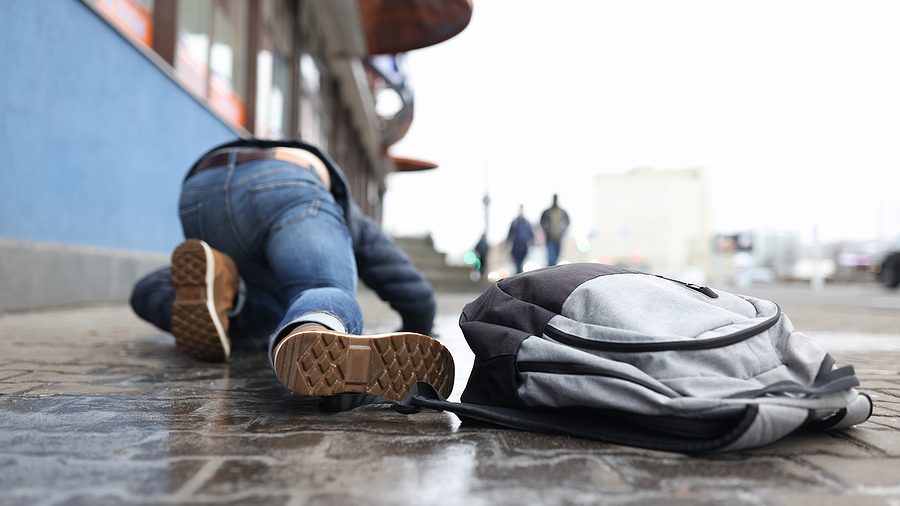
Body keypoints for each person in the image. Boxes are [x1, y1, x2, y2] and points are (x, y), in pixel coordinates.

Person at [130, 139, 455, 401]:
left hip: (199, 194)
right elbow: (411, 291)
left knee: (155, 291)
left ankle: (229, 291)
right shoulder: (346, 212)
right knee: (323, 288)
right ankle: (314, 327)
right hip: (287, 184)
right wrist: (419, 324)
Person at [539, 194, 570, 266]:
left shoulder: (562, 212)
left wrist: (563, 230)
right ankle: (550, 273)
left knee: (557, 257)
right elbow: (542, 222)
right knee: (551, 258)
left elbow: (567, 222)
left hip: (559, 238)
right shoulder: (547, 212)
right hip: (550, 238)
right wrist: (547, 229)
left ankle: (553, 271)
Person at [506, 205, 534, 274]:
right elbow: (510, 235)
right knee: (517, 265)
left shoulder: (526, 222)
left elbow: (531, 235)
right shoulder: (515, 222)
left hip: (524, 247)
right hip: (516, 247)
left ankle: (519, 274)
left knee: (520, 264)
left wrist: (530, 242)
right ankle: (518, 275)